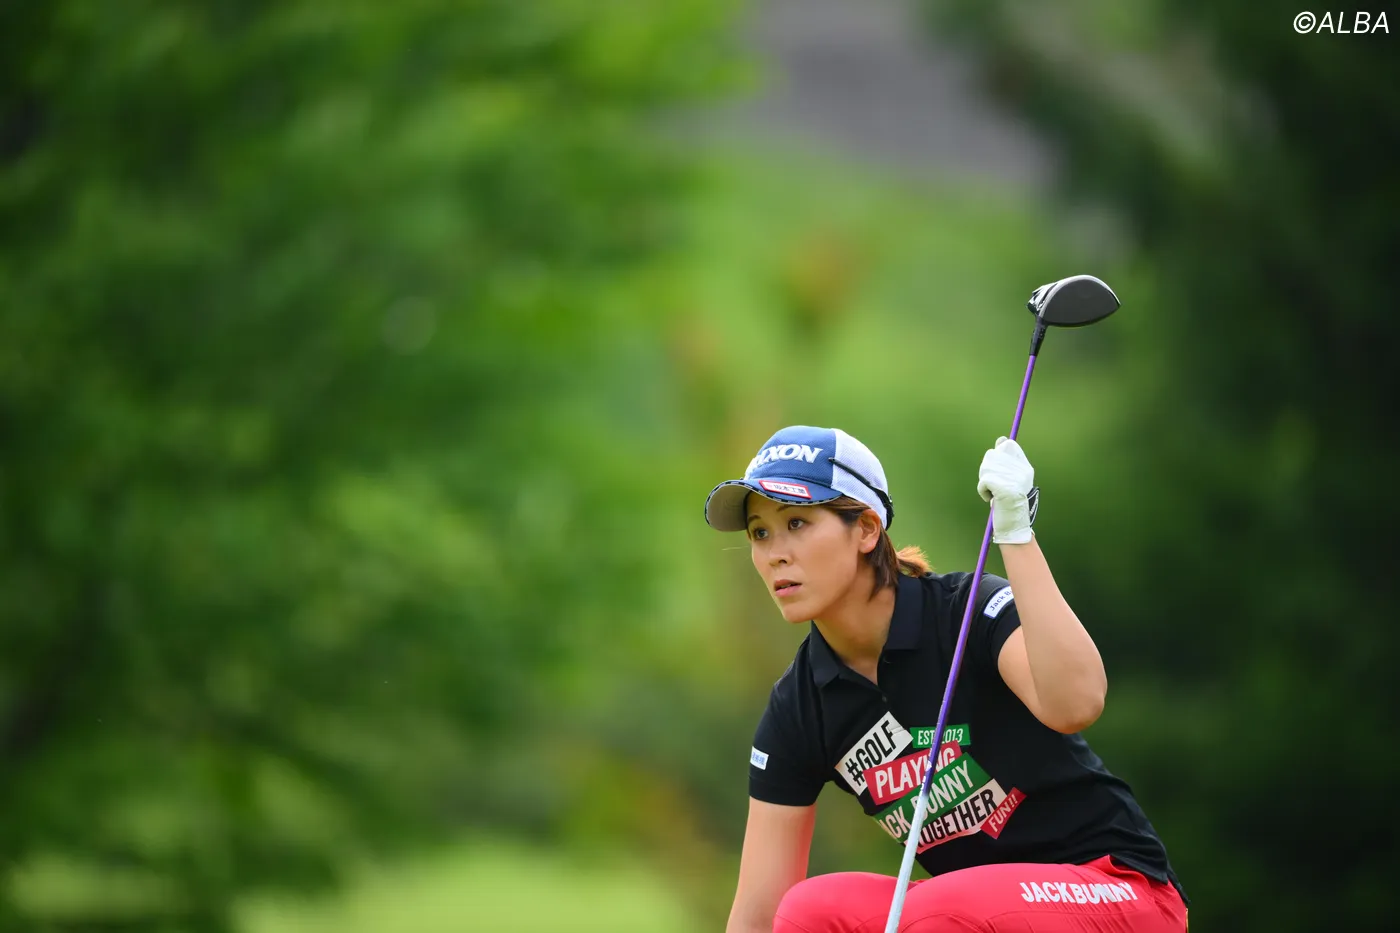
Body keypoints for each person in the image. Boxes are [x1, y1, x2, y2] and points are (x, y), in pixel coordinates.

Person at [706, 425, 1188, 933]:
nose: (775, 553)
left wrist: (1016, 533)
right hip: (967, 914)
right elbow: (758, 914)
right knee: (810, 911)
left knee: (935, 912)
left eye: (797, 523)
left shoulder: (967, 610)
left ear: (866, 530)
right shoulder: (800, 705)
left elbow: (1077, 703)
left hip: (1118, 892)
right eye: (759, 533)